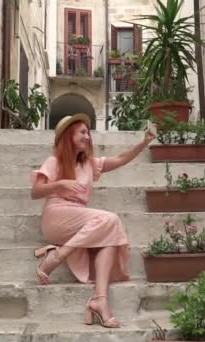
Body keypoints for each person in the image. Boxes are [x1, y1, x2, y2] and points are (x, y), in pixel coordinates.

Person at [29, 114, 155, 328]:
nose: (88, 137)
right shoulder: (54, 162)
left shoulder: (90, 164)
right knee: (111, 220)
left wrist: (144, 142)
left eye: (89, 133)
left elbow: (121, 158)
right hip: (57, 216)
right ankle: (57, 256)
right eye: (83, 132)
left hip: (79, 221)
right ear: (69, 136)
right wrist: (61, 185)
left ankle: (100, 300)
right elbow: (36, 192)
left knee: (110, 240)